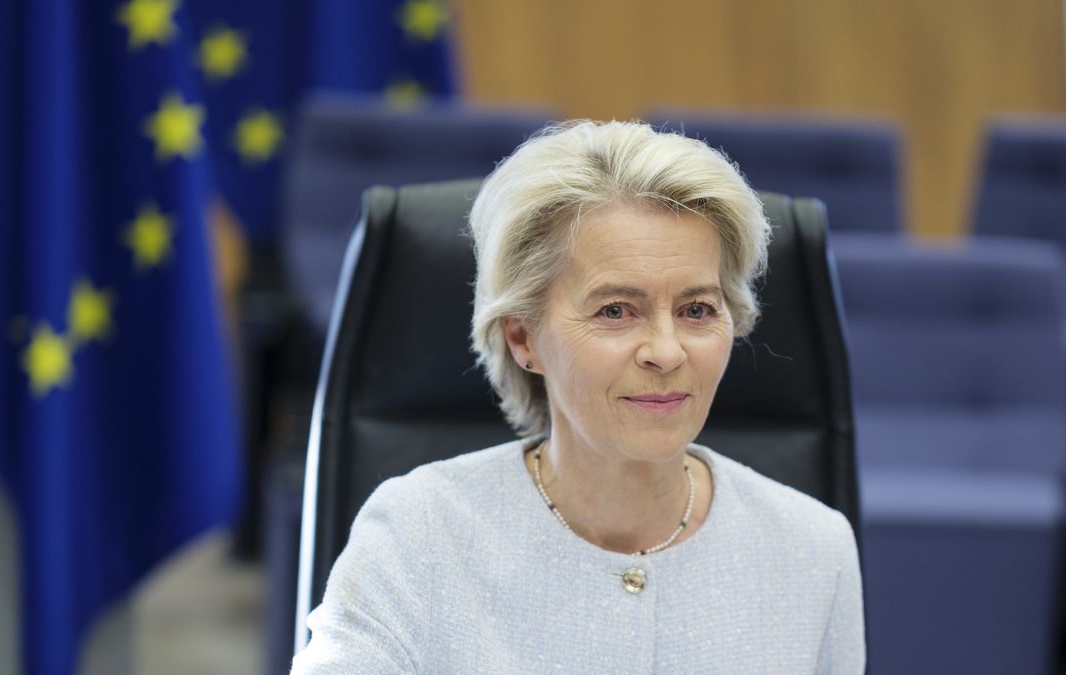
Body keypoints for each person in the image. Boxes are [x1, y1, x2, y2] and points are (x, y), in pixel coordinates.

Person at [291, 120, 865, 673]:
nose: (666, 352)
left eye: (697, 310)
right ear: (523, 338)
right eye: (615, 311)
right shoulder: (418, 533)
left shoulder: (814, 550)